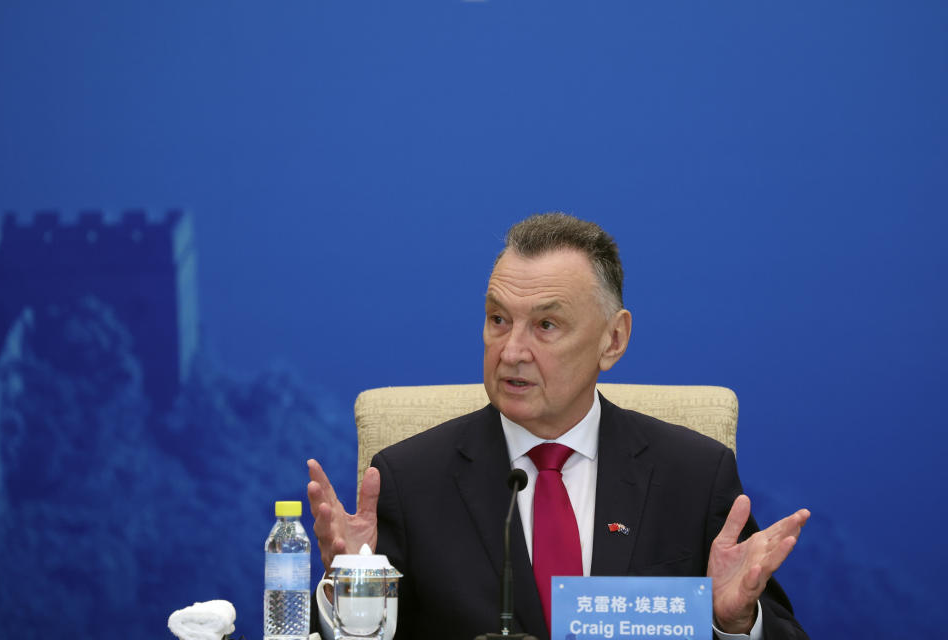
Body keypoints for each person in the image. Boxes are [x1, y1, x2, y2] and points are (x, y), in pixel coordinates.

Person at [308, 213, 809, 640]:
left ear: (613, 340)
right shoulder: (410, 479)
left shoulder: (693, 474)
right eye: (498, 319)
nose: (511, 351)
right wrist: (348, 592)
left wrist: (734, 622)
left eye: (546, 325)